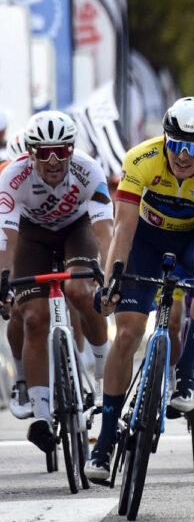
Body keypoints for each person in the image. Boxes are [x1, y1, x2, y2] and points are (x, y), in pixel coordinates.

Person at [89, 97, 194, 481]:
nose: (183, 156)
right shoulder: (140, 159)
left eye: (193, 149)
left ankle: (187, 369)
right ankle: (105, 442)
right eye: (176, 145)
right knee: (127, 334)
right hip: (146, 240)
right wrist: (111, 283)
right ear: (165, 138)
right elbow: (123, 229)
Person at [0, 112, 113, 452]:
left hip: (76, 231)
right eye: (44, 152)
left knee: (80, 290)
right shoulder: (12, 176)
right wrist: (3, 280)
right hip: (32, 236)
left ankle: (104, 372)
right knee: (33, 317)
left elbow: (105, 232)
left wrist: (108, 274)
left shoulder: (89, 169)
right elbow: (7, 238)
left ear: (71, 150)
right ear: (30, 153)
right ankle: (42, 414)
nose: (53, 160)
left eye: (61, 151)